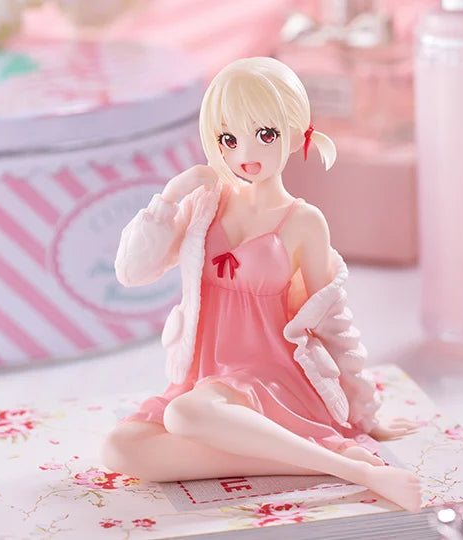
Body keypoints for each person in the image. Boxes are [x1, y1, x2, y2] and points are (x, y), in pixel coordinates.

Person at [102, 57, 422, 513]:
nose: (245, 153)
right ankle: (315, 459)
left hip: (270, 378)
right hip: (206, 379)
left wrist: (363, 413)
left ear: (295, 131)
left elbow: (332, 321)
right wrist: (169, 197)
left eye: (265, 134)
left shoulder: (304, 221)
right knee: (121, 447)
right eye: (229, 139)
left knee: (185, 413)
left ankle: (357, 470)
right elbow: (132, 273)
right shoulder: (204, 204)